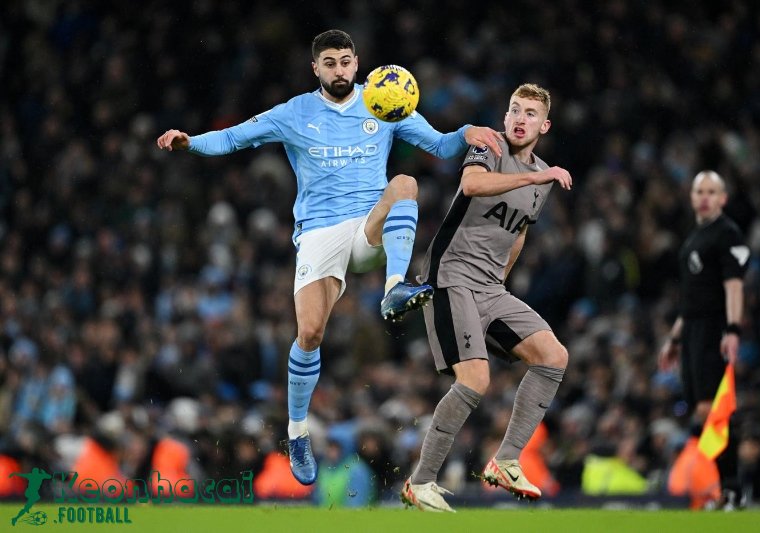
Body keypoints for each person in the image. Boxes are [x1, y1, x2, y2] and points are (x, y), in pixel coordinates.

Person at [156, 29, 502, 486]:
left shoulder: (384, 102)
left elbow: (439, 146)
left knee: (405, 185)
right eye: (329, 63)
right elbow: (233, 139)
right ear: (315, 68)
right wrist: (189, 142)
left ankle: (395, 287)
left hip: (367, 228)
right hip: (318, 235)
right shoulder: (293, 113)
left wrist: (466, 132)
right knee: (310, 333)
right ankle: (297, 432)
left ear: (357, 63)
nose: (339, 70)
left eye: (345, 61)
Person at [399, 83, 572, 512]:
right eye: (514, 108)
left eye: (530, 113)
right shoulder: (489, 145)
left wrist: (502, 282)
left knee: (554, 356)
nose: (518, 118)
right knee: (475, 379)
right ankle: (419, 482)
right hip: (450, 275)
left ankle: (507, 459)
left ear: (544, 125)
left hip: (491, 286)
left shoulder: (542, 178)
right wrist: (536, 175)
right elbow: (473, 185)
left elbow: (519, 232)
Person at [658, 170, 750, 509]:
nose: (706, 197)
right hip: (693, 331)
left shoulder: (727, 235)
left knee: (713, 411)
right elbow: (691, 298)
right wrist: (674, 338)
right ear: (693, 196)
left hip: (714, 329)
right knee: (701, 412)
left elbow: (734, 287)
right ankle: (720, 487)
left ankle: (732, 488)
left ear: (723, 198)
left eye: (713, 191)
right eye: (700, 191)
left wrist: (733, 329)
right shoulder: (695, 238)